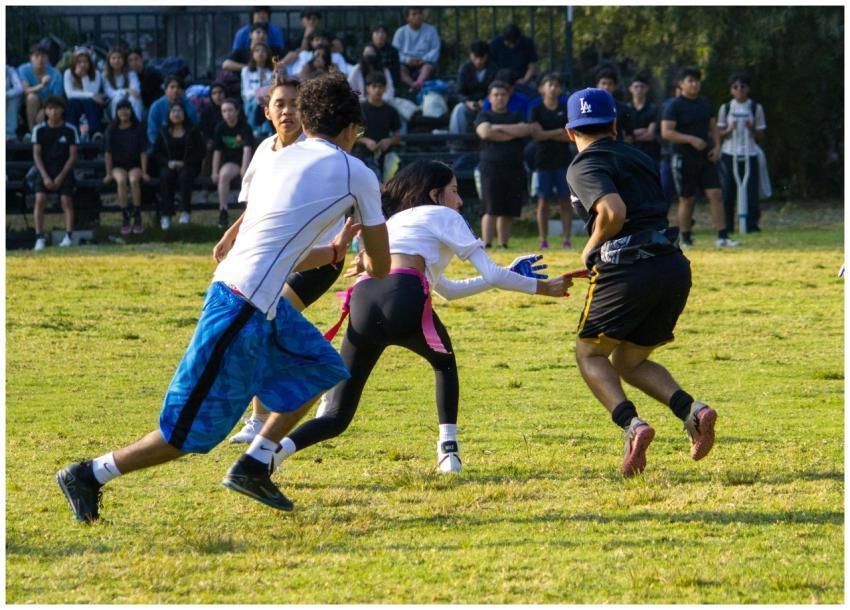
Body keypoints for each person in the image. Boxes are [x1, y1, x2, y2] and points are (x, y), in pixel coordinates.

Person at [55, 72, 391, 522]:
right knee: (187, 433)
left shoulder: (276, 159)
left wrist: (332, 252)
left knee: (321, 367)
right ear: (350, 128)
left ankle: (254, 463)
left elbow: (275, 246)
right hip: (239, 305)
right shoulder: (356, 172)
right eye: (358, 131)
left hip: (254, 301)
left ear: (308, 120)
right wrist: (363, 260)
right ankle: (89, 474)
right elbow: (382, 265)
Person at [270, 160, 570, 480]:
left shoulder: (396, 221)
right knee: (444, 363)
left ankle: (270, 454)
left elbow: (448, 290)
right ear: (434, 194)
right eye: (454, 191)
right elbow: (491, 274)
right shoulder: (445, 215)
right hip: (403, 293)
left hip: (363, 298)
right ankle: (449, 451)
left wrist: (508, 274)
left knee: (336, 416)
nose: (459, 200)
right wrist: (543, 287)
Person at [564, 87, 718, 478]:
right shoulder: (639, 156)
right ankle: (693, 411)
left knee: (589, 354)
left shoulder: (582, 164)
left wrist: (590, 247)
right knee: (629, 361)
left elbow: (613, 211)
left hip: (628, 270)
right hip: (672, 266)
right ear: (615, 125)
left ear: (570, 131)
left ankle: (632, 425)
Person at [215, 75, 348, 444]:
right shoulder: (264, 151)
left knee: (264, 322)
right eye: (280, 104)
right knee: (263, 326)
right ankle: (316, 377)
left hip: (319, 257)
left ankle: (270, 412)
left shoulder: (317, 151)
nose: (288, 111)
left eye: (295, 104)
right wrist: (231, 235)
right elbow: (260, 206)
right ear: (267, 112)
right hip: (276, 259)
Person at [661, 66, 738, 248]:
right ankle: (686, 238)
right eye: (690, 81)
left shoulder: (705, 103)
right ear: (681, 84)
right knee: (687, 198)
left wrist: (717, 147)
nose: (694, 84)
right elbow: (666, 132)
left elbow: (714, 128)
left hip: (706, 157)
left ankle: (722, 236)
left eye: (697, 81)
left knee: (716, 194)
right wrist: (690, 139)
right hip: (683, 157)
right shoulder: (674, 105)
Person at [474, 80, 531, 248]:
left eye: (503, 94)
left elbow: (525, 130)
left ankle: (503, 244)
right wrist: (512, 132)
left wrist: (496, 128)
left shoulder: (517, 115)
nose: (500, 98)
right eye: (496, 95)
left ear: (508, 97)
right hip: (490, 167)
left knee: (509, 209)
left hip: (514, 166)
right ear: (489, 98)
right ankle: (487, 243)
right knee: (490, 207)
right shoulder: (483, 116)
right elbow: (484, 133)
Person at [716, 73, 766, 233]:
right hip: (729, 153)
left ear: (748, 89)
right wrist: (729, 129)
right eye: (735, 87)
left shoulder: (756, 108)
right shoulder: (726, 108)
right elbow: (718, 132)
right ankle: (728, 226)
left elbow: (761, 134)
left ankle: (751, 225)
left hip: (749, 152)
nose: (739, 90)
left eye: (742, 86)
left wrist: (751, 127)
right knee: (728, 191)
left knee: (751, 191)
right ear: (731, 90)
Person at [529, 73, 573, 250]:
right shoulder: (536, 109)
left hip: (563, 161)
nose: (553, 88)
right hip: (543, 161)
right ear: (542, 88)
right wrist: (557, 132)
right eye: (550, 85)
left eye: (556, 85)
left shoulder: (566, 109)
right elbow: (536, 135)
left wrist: (547, 133)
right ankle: (543, 240)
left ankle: (566, 239)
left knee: (565, 201)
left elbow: (570, 136)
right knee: (543, 201)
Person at [31, 96, 78, 252]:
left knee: (66, 200)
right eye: (50, 108)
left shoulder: (70, 130)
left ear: (62, 110)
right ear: (45, 111)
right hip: (44, 170)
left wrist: (60, 177)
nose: (53, 112)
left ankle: (68, 237)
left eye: (57, 108)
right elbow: (36, 155)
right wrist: (45, 176)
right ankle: (39, 237)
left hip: (64, 171)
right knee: (40, 199)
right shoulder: (39, 130)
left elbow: (73, 156)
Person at [152, 103, 204, 230]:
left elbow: (201, 151)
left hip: (189, 165)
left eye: (179, 111)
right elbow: (157, 153)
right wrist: (167, 163)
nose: (176, 114)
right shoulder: (163, 131)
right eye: (173, 111)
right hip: (168, 165)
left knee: (185, 176)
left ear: (184, 113)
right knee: (165, 176)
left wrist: (185, 163)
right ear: (169, 115)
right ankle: (166, 214)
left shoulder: (192, 130)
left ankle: (185, 211)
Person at [103, 99, 149, 235]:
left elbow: (143, 152)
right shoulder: (111, 130)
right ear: (116, 112)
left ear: (131, 111)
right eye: (120, 109)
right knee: (121, 180)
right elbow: (108, 153)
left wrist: (144, 172)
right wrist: (108, 173)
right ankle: (125, 216)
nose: (123, 112)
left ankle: (137, 215)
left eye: (126, 108)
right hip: (118, 166)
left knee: (134, 180)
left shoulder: (139, 128)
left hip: (135, 165)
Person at [212, 98, 254, 228]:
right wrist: (214, 171)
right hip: (230, 162)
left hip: (247, 161)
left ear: (237, 111)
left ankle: (250, 212)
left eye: (230, 110)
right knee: (223, 175)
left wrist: (244, 168)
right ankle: (223, 210)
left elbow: (247, 150)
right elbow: (217, 151)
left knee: (248, 177)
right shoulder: (220, 128)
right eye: (224, 111)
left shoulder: (245, 127)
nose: (227, 114)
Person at [352, 72, 401, 182]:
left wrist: (389, 141)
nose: (377, 90)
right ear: (367, 88)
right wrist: (366, 141)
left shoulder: (391, 111)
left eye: (380, 87)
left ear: (385, 88)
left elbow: (397, 137)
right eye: (374, 86)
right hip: (362, 155)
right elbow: (351, 135)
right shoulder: (359, 110)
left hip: (385, 156)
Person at [448, 40, 498, 137]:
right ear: (471, 55)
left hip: (489, 105)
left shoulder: (494, 69)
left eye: (482, 58)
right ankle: (456, 141)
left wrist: (486, 102)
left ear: (486, 56)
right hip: (469, 104)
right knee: (459, 110)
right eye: (476, 57)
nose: (478, 61)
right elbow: (459, 92)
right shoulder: (465, 68)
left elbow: (496, 90)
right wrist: (468, 102)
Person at [17, 44, 65, 134]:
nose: (40, 59)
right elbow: (26, 90)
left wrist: (44, 110)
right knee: (32, 97)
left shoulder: (56, 74)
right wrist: (42, 85)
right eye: (36, 56)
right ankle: (33, 133)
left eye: (43, 56)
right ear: (31, 58)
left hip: (49, 104)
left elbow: (57, 97)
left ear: (48, 58)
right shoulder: (23, 69)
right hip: (26, 104)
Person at [392, 7, 440, 92]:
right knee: (399, 69)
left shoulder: (431, 30)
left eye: (419, 13)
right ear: (407, 18)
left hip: (424, 62)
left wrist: (424, 59)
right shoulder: (400, 32)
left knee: (427, 68)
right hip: (405, 63)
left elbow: (435, 49)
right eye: (414, 14)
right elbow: (395, 52)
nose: (418, 16)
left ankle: (418, 84)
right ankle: (413, 85)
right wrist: (407, 60)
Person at [146, 76, 199, 153]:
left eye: (179, 87)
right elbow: (152, 133)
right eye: (172, 87)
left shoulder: (190, 108)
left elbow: (194, 131)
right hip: (162, 148)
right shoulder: (156, 107)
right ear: (165, 90)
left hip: (185, 147)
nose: (175, 90)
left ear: (183, 91)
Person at [63, 47, 106, 140]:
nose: (82, 65)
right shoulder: (68, 73)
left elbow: (93, 92)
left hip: (91, 105)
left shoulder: (96, 73)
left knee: (90, 102)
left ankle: (95, 133)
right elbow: (69, 94)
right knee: (73, 102)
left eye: (85, 61)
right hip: (75, 104)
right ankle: (70, 132)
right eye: (79, 62)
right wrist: (91, 95)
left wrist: (83, 77)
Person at [488, 24, 538, 97]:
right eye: (509, 43)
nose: (512, 46)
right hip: (500, 80)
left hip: (522, 79)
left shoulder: (527, 43)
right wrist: (498, 80)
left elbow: (532, 66)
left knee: (532, 93)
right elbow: (491, 65)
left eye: (514, 43)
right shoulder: (495, 43)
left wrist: (525, 80)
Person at [240, 42, 274, 136]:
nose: (260, 53)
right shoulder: (246, 71)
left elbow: (274, 88)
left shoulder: (272, 71)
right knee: (258, 101)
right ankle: (254, 129)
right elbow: (246, 92)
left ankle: (267, 130)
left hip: (268, 99)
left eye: (263, 51)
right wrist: (259, 94)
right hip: (251, 101)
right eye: (257, 51)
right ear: (252, 54)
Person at [284, 31, 351, 78]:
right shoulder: (304, 55)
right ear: (311, 42)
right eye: (317, 39)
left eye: (323, 40)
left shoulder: (336, 57)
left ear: (328, 42)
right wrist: (311, 64)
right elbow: (298, 76)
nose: (320, 42)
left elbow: (343, 76)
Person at [102, 47, 143, 121]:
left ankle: (136, 124)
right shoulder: (105, 75)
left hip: (129, 101)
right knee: (118, 98)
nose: (116, 61)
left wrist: (130, 93)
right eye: (113, 58)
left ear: (124, 60)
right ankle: (117, 124)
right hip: (112, 104)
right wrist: (126, 91)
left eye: (119, 58)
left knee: (135, 98)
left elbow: (135, 90)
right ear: (109, 60)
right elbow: (110, 93)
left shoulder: (130, 73)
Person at [627, 74, 660, 164]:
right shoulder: (625, 109)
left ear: (647, 88)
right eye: (636, 86)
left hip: (649, 154)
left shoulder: (653, 109)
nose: (639, 89)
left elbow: (650, 135)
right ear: (630, 88)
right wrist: (640, 132)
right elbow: (623, 135)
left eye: (642, 86)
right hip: (629, 153)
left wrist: (631, 135)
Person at [594, 67, 633, 143]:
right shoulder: (590, 108)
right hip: (594, 148)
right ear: (597, 85)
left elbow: (630, 135)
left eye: (610, 84)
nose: (606, 87)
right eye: (603, 83)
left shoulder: (623, 109)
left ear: (614, 87)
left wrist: (620, 147)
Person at [199, 81, 226, 176]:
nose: (218, 96)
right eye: (214, 93)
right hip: (212, 141)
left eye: (220, 92)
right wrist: (207, 140)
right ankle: (205, 178)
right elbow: (203, 129)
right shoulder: (206, 111)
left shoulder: (232, 108)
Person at [371, 24, 401, 88]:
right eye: (377, 32)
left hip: (388, 82)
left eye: (383, 32)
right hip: (370, 83)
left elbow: (396, 71)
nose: (380, 35)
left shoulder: (393, 51)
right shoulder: (367, 50)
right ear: (372, 34)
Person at [6, 65, 24, 141]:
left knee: (14, 98)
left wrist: (6, 95)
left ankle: (9, 133)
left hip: (6, 99)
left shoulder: (9, 70)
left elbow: (20, 88)